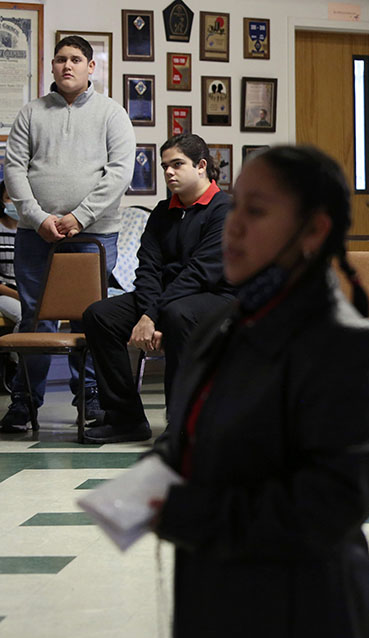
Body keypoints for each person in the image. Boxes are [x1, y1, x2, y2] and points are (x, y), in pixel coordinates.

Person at [150, 145, 369, 638]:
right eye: (237, 206)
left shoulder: (346, 349)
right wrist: (146, 487)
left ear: (312, 231)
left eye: (257, 212)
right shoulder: (223, 326)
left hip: (299, 615)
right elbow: (191, 439)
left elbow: (327, 505)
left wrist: (192, 514)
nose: (233, 227)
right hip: (212, 597)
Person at [2, 35, 135, 432]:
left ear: (91, 67)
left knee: (89, 319)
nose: (67, 66)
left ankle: (90, 397)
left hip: (94, 235)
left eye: (76, 59)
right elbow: (14, 170)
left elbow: (120, 173)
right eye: (61, 60)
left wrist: (79, 216)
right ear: (53, 67)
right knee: (35, 318)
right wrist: (38, 217)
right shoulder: (30, 113)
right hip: (35, 234)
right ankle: (25, 403)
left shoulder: (113, 114)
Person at [81, 134, 235, 444]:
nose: (168, 173)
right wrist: (150, 311)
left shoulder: (226, 210)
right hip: (168, 297)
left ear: (201, 166)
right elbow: (148, 269)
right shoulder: (163, 212)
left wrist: (153, 315)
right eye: (165, 166)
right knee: (100, 315)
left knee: (178, 315)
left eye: (177, 165)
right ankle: (126, 419)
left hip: (219, 296)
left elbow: (200, 273)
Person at [0, 181, 21, 328]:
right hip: (5, 294)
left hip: (32, 294)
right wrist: (20, 296)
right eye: (9, 197)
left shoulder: (36, 232)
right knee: (27, 317)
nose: (14, 202)